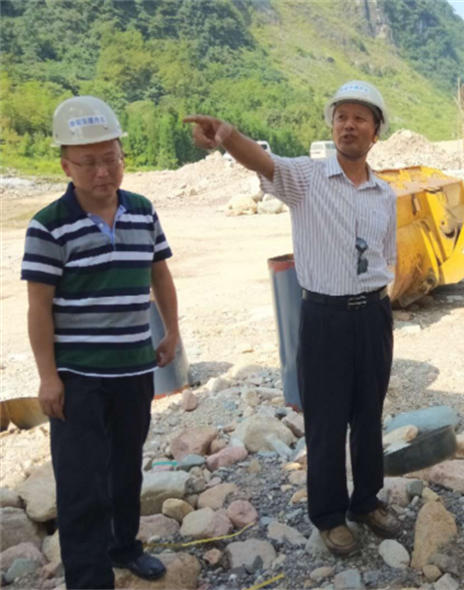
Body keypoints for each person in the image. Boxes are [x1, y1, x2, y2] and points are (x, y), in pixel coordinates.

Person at [184, 80, 399, 556]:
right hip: (324, 317)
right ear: (332, 125)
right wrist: (227, 135)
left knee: (369, 415)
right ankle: (329, 515)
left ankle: (367, 501)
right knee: (326, 421)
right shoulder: (306, 178)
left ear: (375, 131)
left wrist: (382, 305)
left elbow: (387, 257)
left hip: (373, 316)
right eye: (341, 116)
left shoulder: (386, 194)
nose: (349, 125)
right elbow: (264, 163)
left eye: (360, 118)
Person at [23, 96, 180, 589]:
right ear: (66, 166)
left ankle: (124, 547)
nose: (102, 172)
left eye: (111, 158)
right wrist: (48, 377)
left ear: (122, 157)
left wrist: (172, 330)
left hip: (133, 369)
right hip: (79, 378)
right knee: (81, 483)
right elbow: (38, 307)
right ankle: (89, 579)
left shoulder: (142, 211)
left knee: (126, 468)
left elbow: (160, 274)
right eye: (88, 162)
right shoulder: (48, 225)